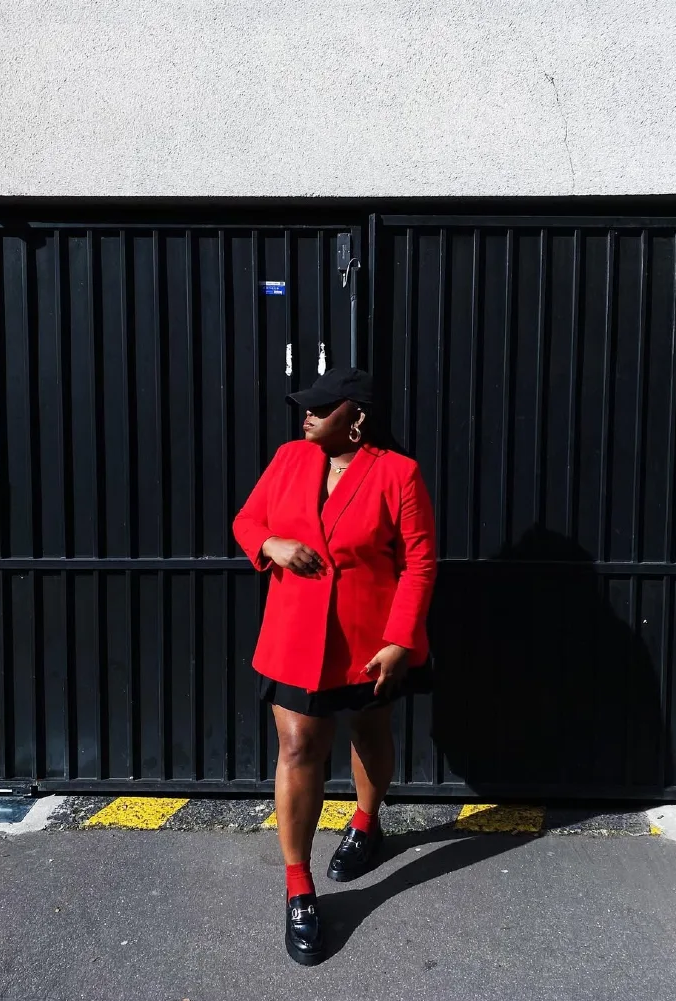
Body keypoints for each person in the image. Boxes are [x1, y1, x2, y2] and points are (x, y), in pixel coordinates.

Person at [232, 367, 437, 965]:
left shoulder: (399, 474)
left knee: (370, 731)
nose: (307, 415)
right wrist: (270, 546)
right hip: (294, 634)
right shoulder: (290, 458)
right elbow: (248, 520)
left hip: (369, 639)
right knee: (298, 746)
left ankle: (367, 823)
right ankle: (299, 887)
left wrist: (401, 639)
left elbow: (420, 562)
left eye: (322, 408)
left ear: (357, 417)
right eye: (307, 407)